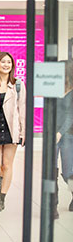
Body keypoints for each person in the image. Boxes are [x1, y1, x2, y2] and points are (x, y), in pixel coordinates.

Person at [0, 52, 26, 212]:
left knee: (7, 165)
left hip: (12, 130)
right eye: (3, 62)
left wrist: (24, 131)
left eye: (9, 62)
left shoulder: (18, 84)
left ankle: (1, 198)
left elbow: (23, 109)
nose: (6, 65)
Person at [54, 59, 73, 217]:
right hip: (51, 135)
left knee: (68, 173)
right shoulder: (53, 88)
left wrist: (59, 133)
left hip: (68, 135)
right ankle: (53, 205)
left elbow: (70, 115)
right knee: (51, 171)